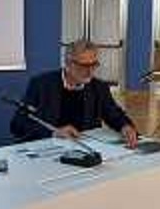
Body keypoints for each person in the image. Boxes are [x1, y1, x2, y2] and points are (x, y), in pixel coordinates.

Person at [10, 40, 138, 148]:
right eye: (84, 66)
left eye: (94, 65)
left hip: (85, 149)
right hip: (49, 149)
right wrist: (53, 132)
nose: (90, 71)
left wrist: (125, 126)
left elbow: (114, 114)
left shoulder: (98, 87)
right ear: (68, 63)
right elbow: (18, 124)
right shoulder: (41, 85)